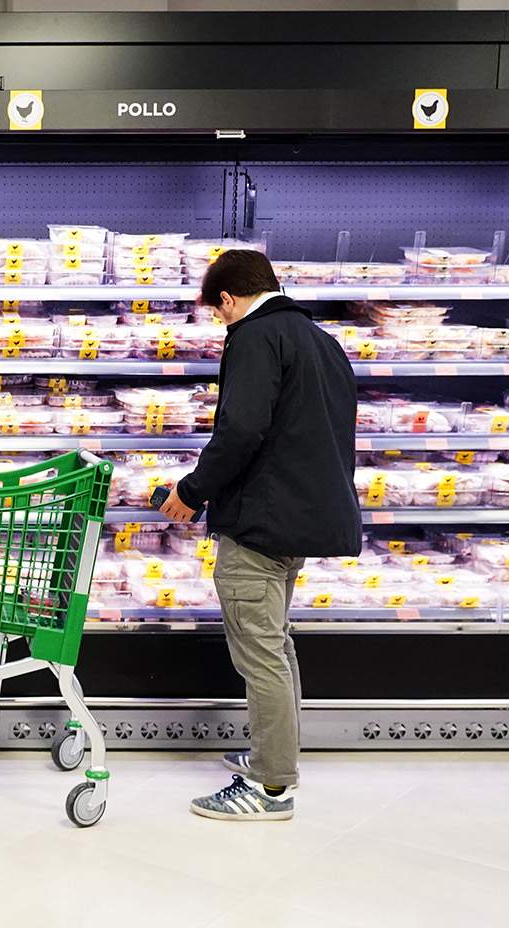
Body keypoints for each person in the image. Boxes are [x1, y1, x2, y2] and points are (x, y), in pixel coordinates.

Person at [155, 249, 360, 821]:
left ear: (228, 298)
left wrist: (192, 491)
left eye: (218, 314)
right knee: (278, 644)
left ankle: (272, 788)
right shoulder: (319, 339)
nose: (222, 323)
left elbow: (242, 428)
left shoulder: (254, 336)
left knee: (260, 652)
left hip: (262, 521)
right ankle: (275, 758)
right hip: (301, 518)